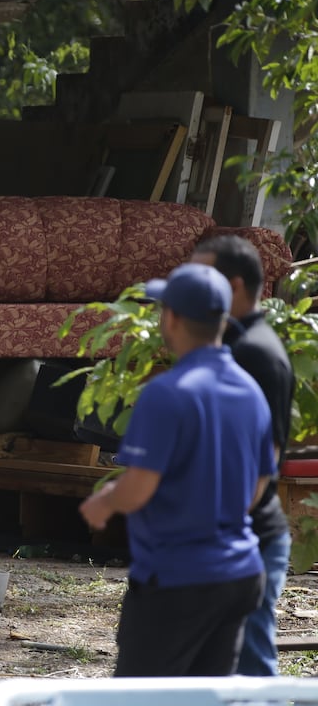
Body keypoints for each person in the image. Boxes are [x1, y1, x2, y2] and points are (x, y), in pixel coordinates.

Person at [79, 262, 275, 677]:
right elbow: (258, 486)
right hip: (240, 575)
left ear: (172, 318)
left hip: (177, 579)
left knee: (141, 697)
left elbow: (138, 489)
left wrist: (104, 502)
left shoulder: (166, 393)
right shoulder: (251, 390)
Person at [193, 235, 295, 676]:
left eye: (202, 278)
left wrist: (222, 532)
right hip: (235, 535)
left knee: (253, 669)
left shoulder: (255, 352)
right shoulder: (236, 343)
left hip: (248, 537)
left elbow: (263, 456)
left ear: (233, 286)